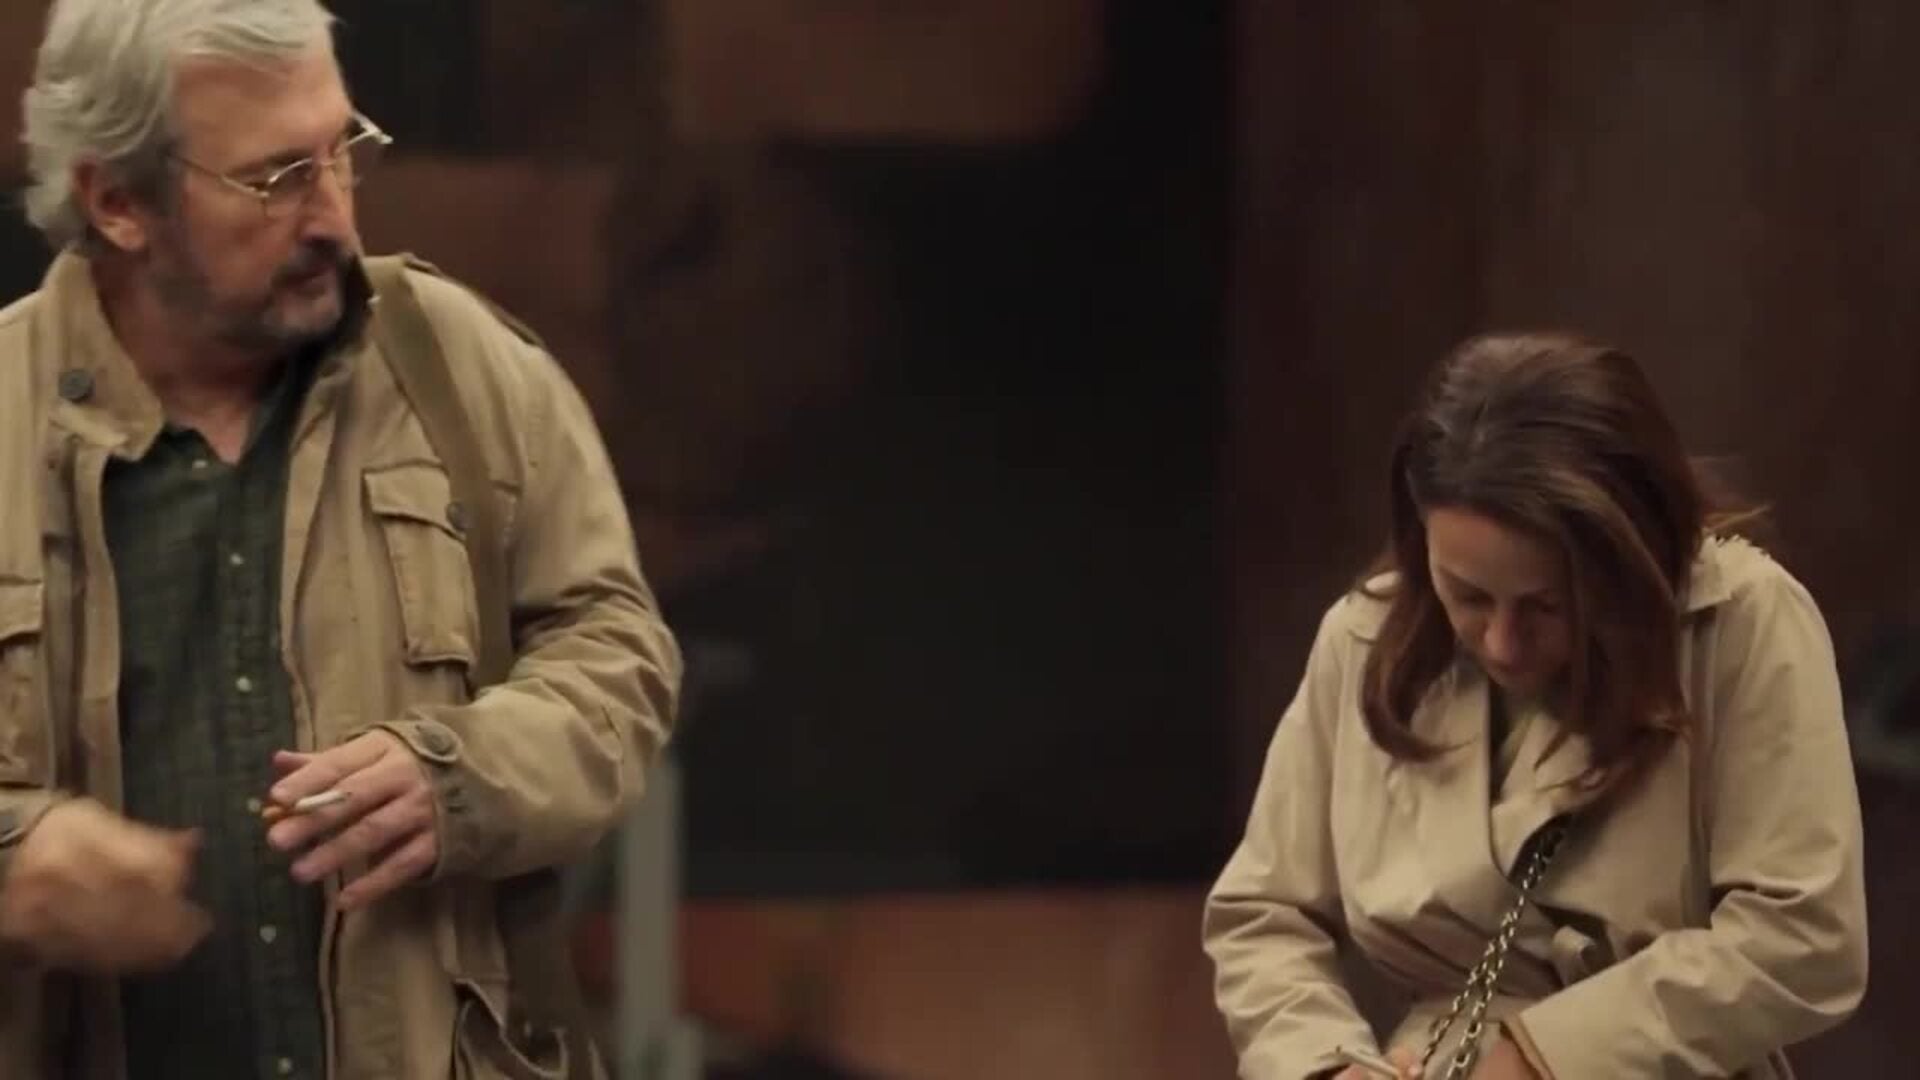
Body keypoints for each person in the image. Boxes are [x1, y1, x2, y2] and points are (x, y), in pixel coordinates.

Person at [0, 1, 681, 1078]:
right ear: (118, 201)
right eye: (276, 178)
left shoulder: (458, 368)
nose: (333, 218)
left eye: (342, 151)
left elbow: (618, 655)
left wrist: (461, 775)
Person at [1204, 333, 1867, 1078]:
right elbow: (1264, 917)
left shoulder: (1740, 621)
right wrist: (1324, 1066)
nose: (1502, 642)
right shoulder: (1367, 636)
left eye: (1546, 604)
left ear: (1627, 556)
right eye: (1467, 595)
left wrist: (1549, 1055)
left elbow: (1804, 935)